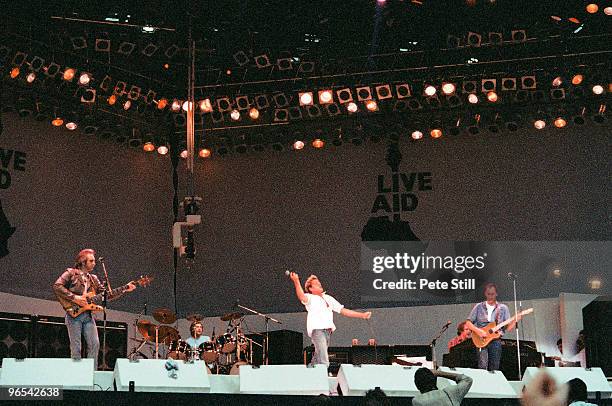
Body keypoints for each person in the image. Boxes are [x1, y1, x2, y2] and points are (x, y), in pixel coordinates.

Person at [53, 249, 135, 369]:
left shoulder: (93, 278)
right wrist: (75, 297)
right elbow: (57, 286)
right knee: (76, 347)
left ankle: (91, 374)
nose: (94, 263)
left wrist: (124, 288)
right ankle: (76, 376)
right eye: (91, 261)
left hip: (88, 315)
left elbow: (107, 295)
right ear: (82, 261)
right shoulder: (71, 273)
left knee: (95, 344)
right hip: (73, 315)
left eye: (94, 261)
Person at [289, 272, 371, 366]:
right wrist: (296, 281)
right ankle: (320, 377)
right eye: (316, 283)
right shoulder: (310, 297)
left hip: (327, 332)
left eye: (319, 282)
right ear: (310, 288)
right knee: (324, 361)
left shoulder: (328, 298)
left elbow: (343, 310)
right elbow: (301, 296)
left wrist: (362, 315)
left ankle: (309, 373)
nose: (319, 284)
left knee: (317, 358)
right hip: (318, 331)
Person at [464, 283, 519, 371]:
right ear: (485, 294)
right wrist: (478, 331)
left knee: (495, 367)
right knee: (482, 366)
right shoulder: (479, 307)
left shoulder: (503, 308)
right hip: (480, 339)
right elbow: (468, 323)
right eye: (488, 294)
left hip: (496, 341)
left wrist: (516, 319)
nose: (490, 296)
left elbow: (508, 328)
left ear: (496, 294)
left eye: (492, 294)